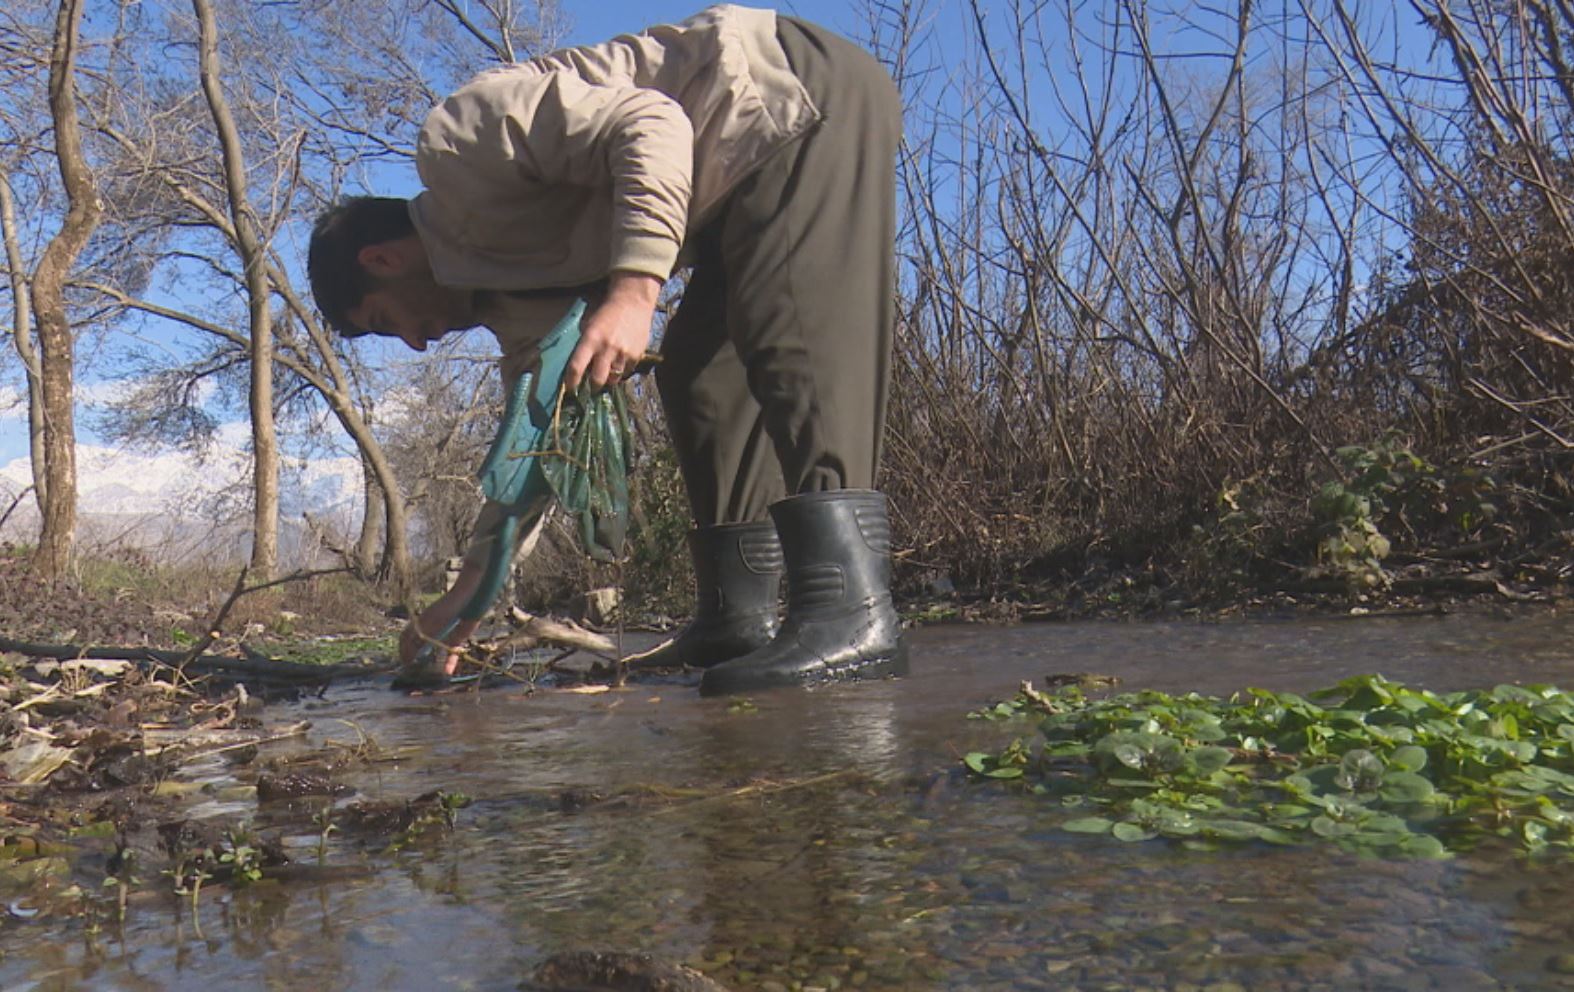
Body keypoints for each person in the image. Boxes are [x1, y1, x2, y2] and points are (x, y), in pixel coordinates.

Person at [308, 4, 905, 695]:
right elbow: (530, 459)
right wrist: (463, 603)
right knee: (700, 379)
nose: (414, 343)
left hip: (787, 90)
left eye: (387, 322)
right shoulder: (512, 307)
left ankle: (852, 613)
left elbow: (651, 123)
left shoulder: (459, 145)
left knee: (788, 332)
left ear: (381, 260)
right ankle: (735, 618)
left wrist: (633, 293)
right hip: (731, 189)